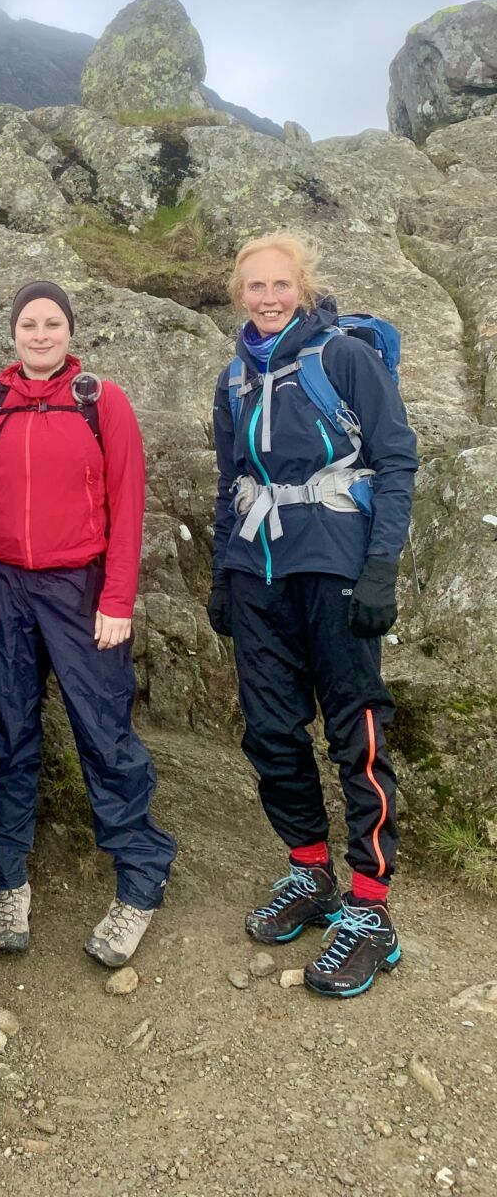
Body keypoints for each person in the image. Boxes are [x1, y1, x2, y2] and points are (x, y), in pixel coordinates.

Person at [207, 232, 418, 998]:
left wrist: (381, 568)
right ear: (239, 293)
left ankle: (370, 909)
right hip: (257, 569)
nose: (267, 298)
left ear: (302, 286)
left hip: (335, 562)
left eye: (280, 285)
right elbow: (231, 479)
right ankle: (309, 872)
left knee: (354, 729)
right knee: (268, 728)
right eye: (255, 287)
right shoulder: (234, 378)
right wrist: (223, 575)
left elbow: (395, 458)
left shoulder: (344, 358)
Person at [0, 281, 176, 965]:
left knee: (105, 735)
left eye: (52, 323)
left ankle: (139, 881)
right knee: (8, 733)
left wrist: (118, 598)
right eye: (28, 323)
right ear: (12, 333)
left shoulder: (102, 402)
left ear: (70, 333)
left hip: (81, 590)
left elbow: (128, 501)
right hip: (3, 587)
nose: (40, 333)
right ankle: (8, 880)